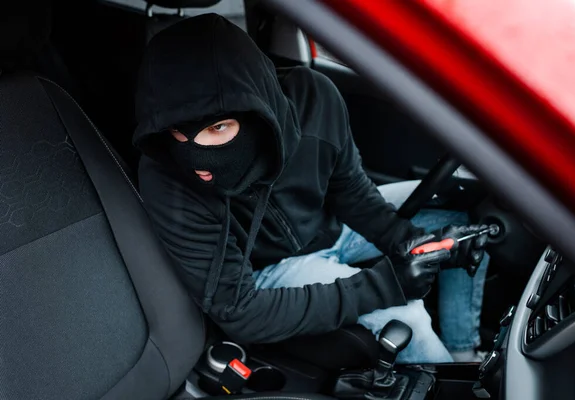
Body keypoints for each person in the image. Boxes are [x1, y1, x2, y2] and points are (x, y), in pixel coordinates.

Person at [133, 13, 489, 364]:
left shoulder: (315, 99)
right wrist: (385, 285)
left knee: (458, 218)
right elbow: (236, 310)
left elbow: (351, 192)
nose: (197, 157)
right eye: (180, 133)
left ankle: (463, 353)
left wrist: (404, 239)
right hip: (269, 268)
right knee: (406, 316)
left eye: (218, 128)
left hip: (331, 227)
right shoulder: (167, 176)